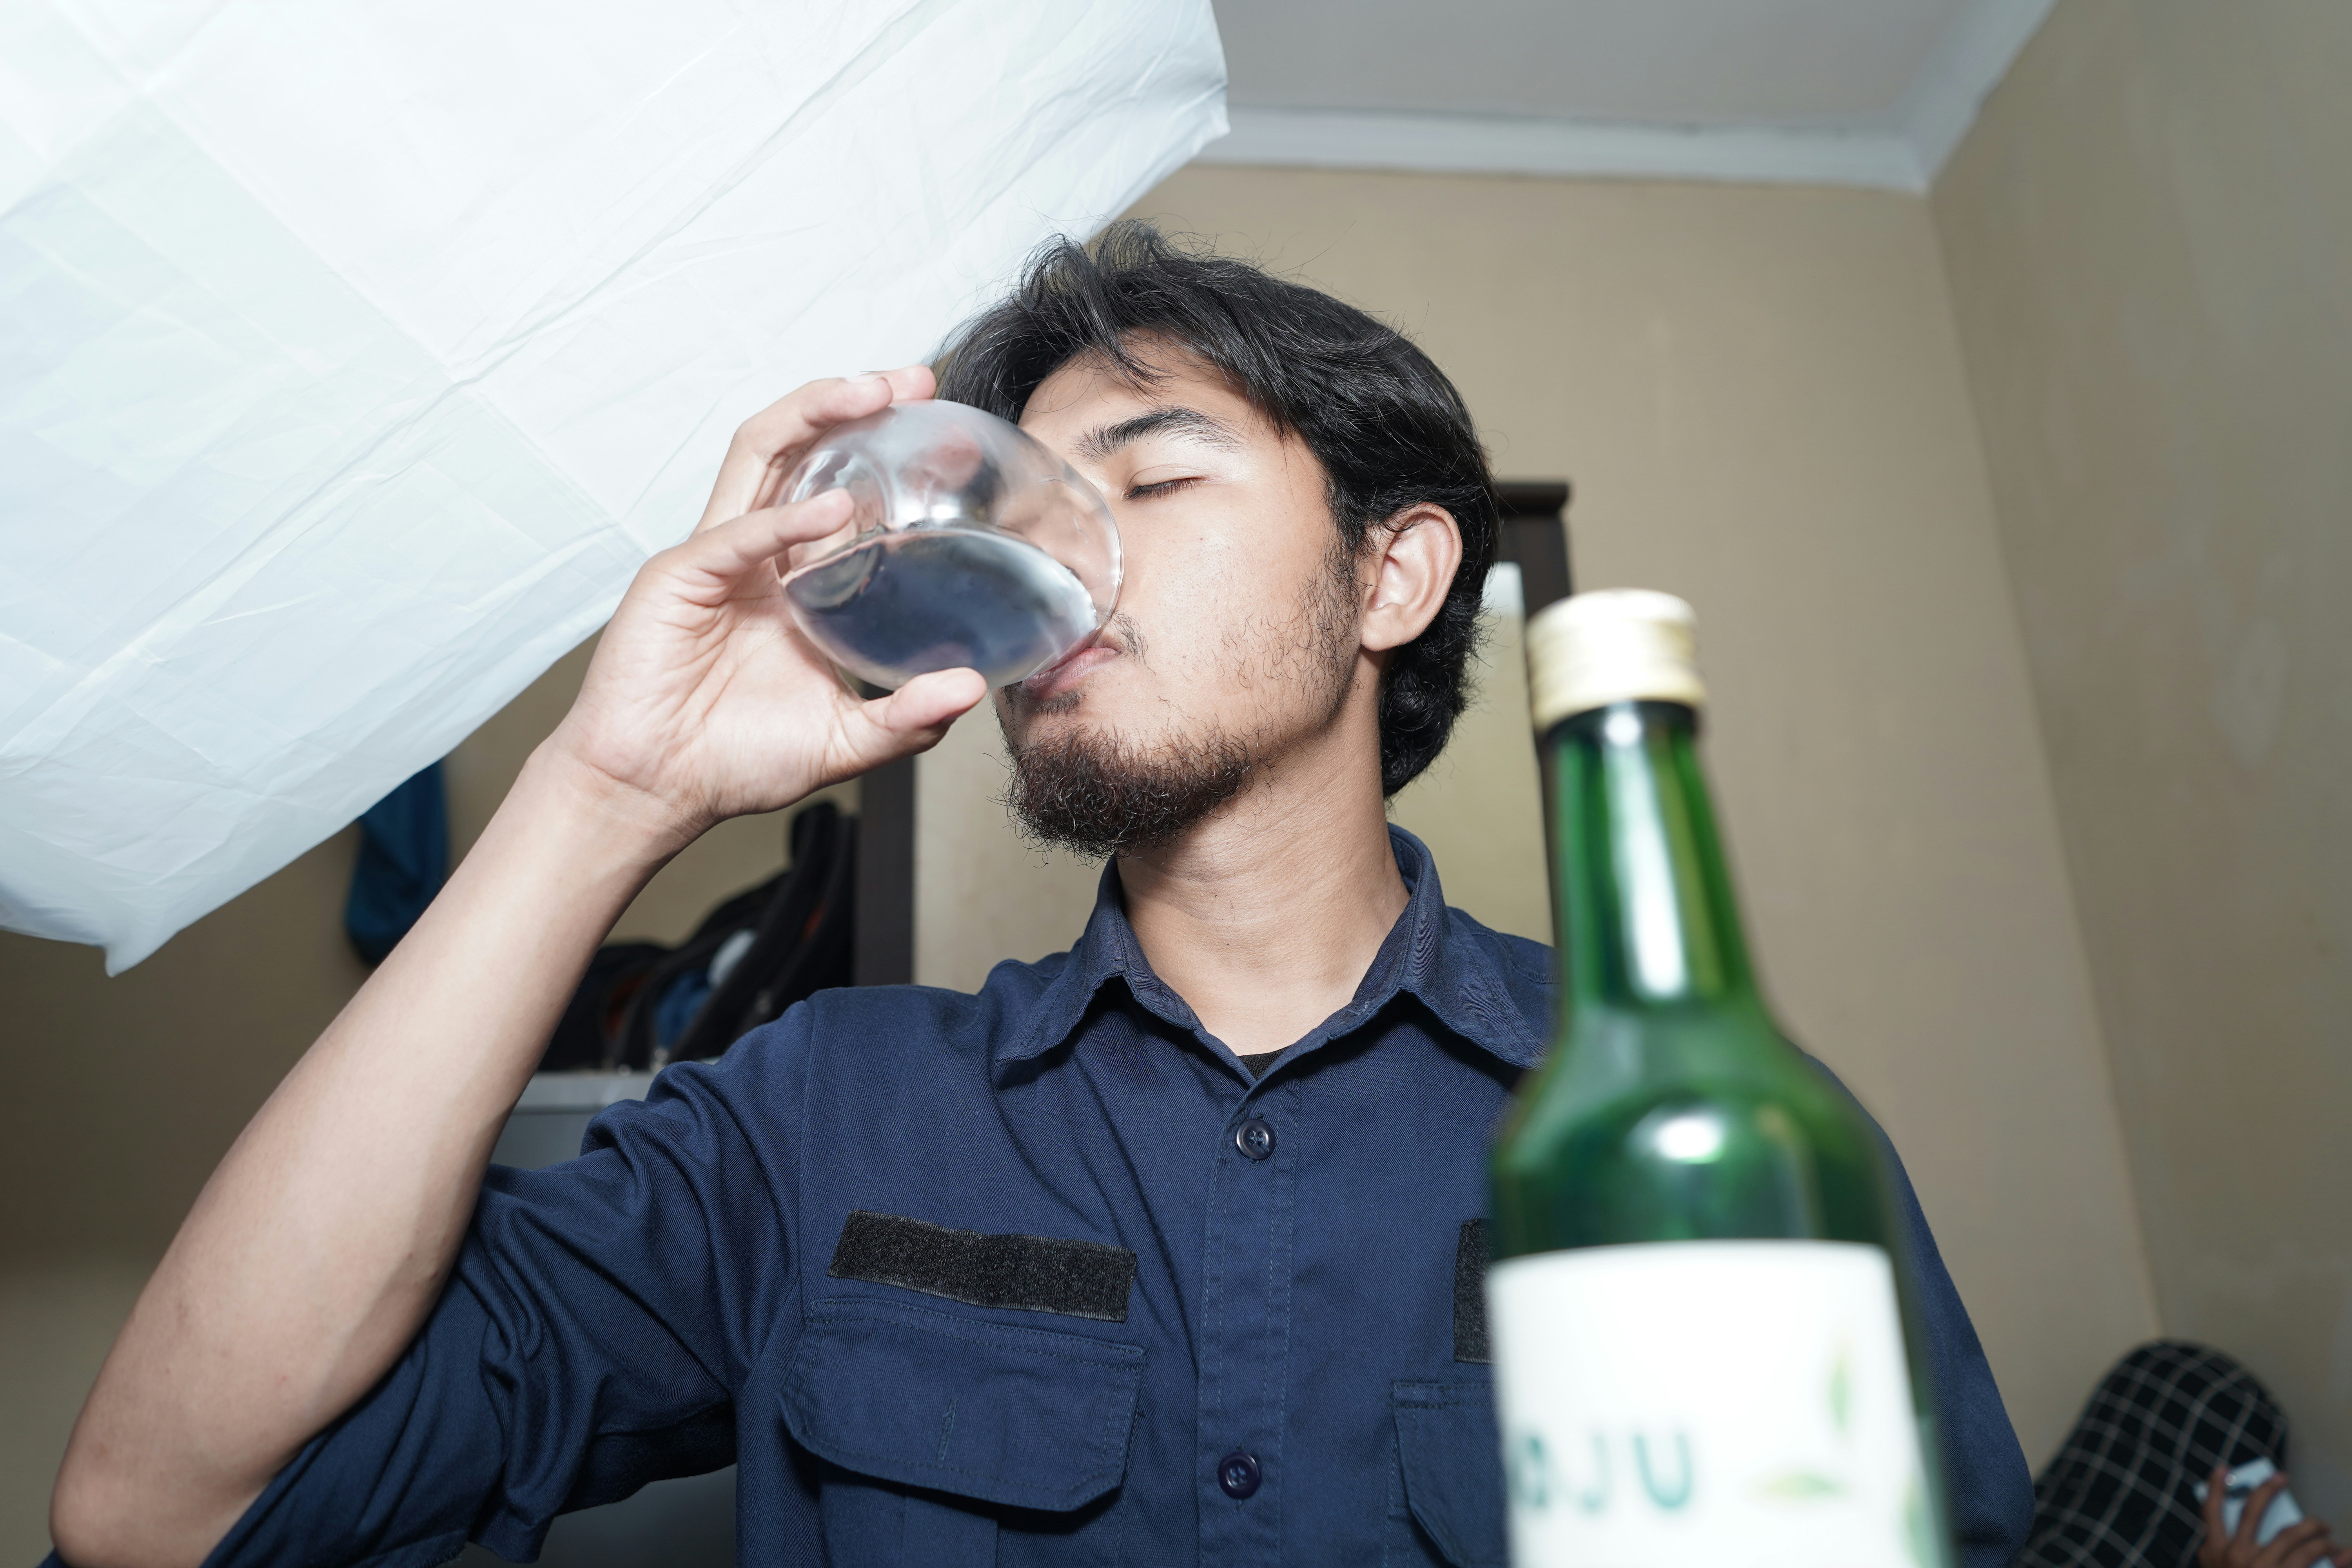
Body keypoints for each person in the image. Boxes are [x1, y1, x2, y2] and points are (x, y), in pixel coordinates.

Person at [48, 224, 2035, 1568]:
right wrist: (603, 794)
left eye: (1149, 485)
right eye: (1012, 516)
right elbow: (163, 1502)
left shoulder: (1700, 1131)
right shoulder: (816, 1110)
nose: (1061, 573)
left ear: (1394, 579)